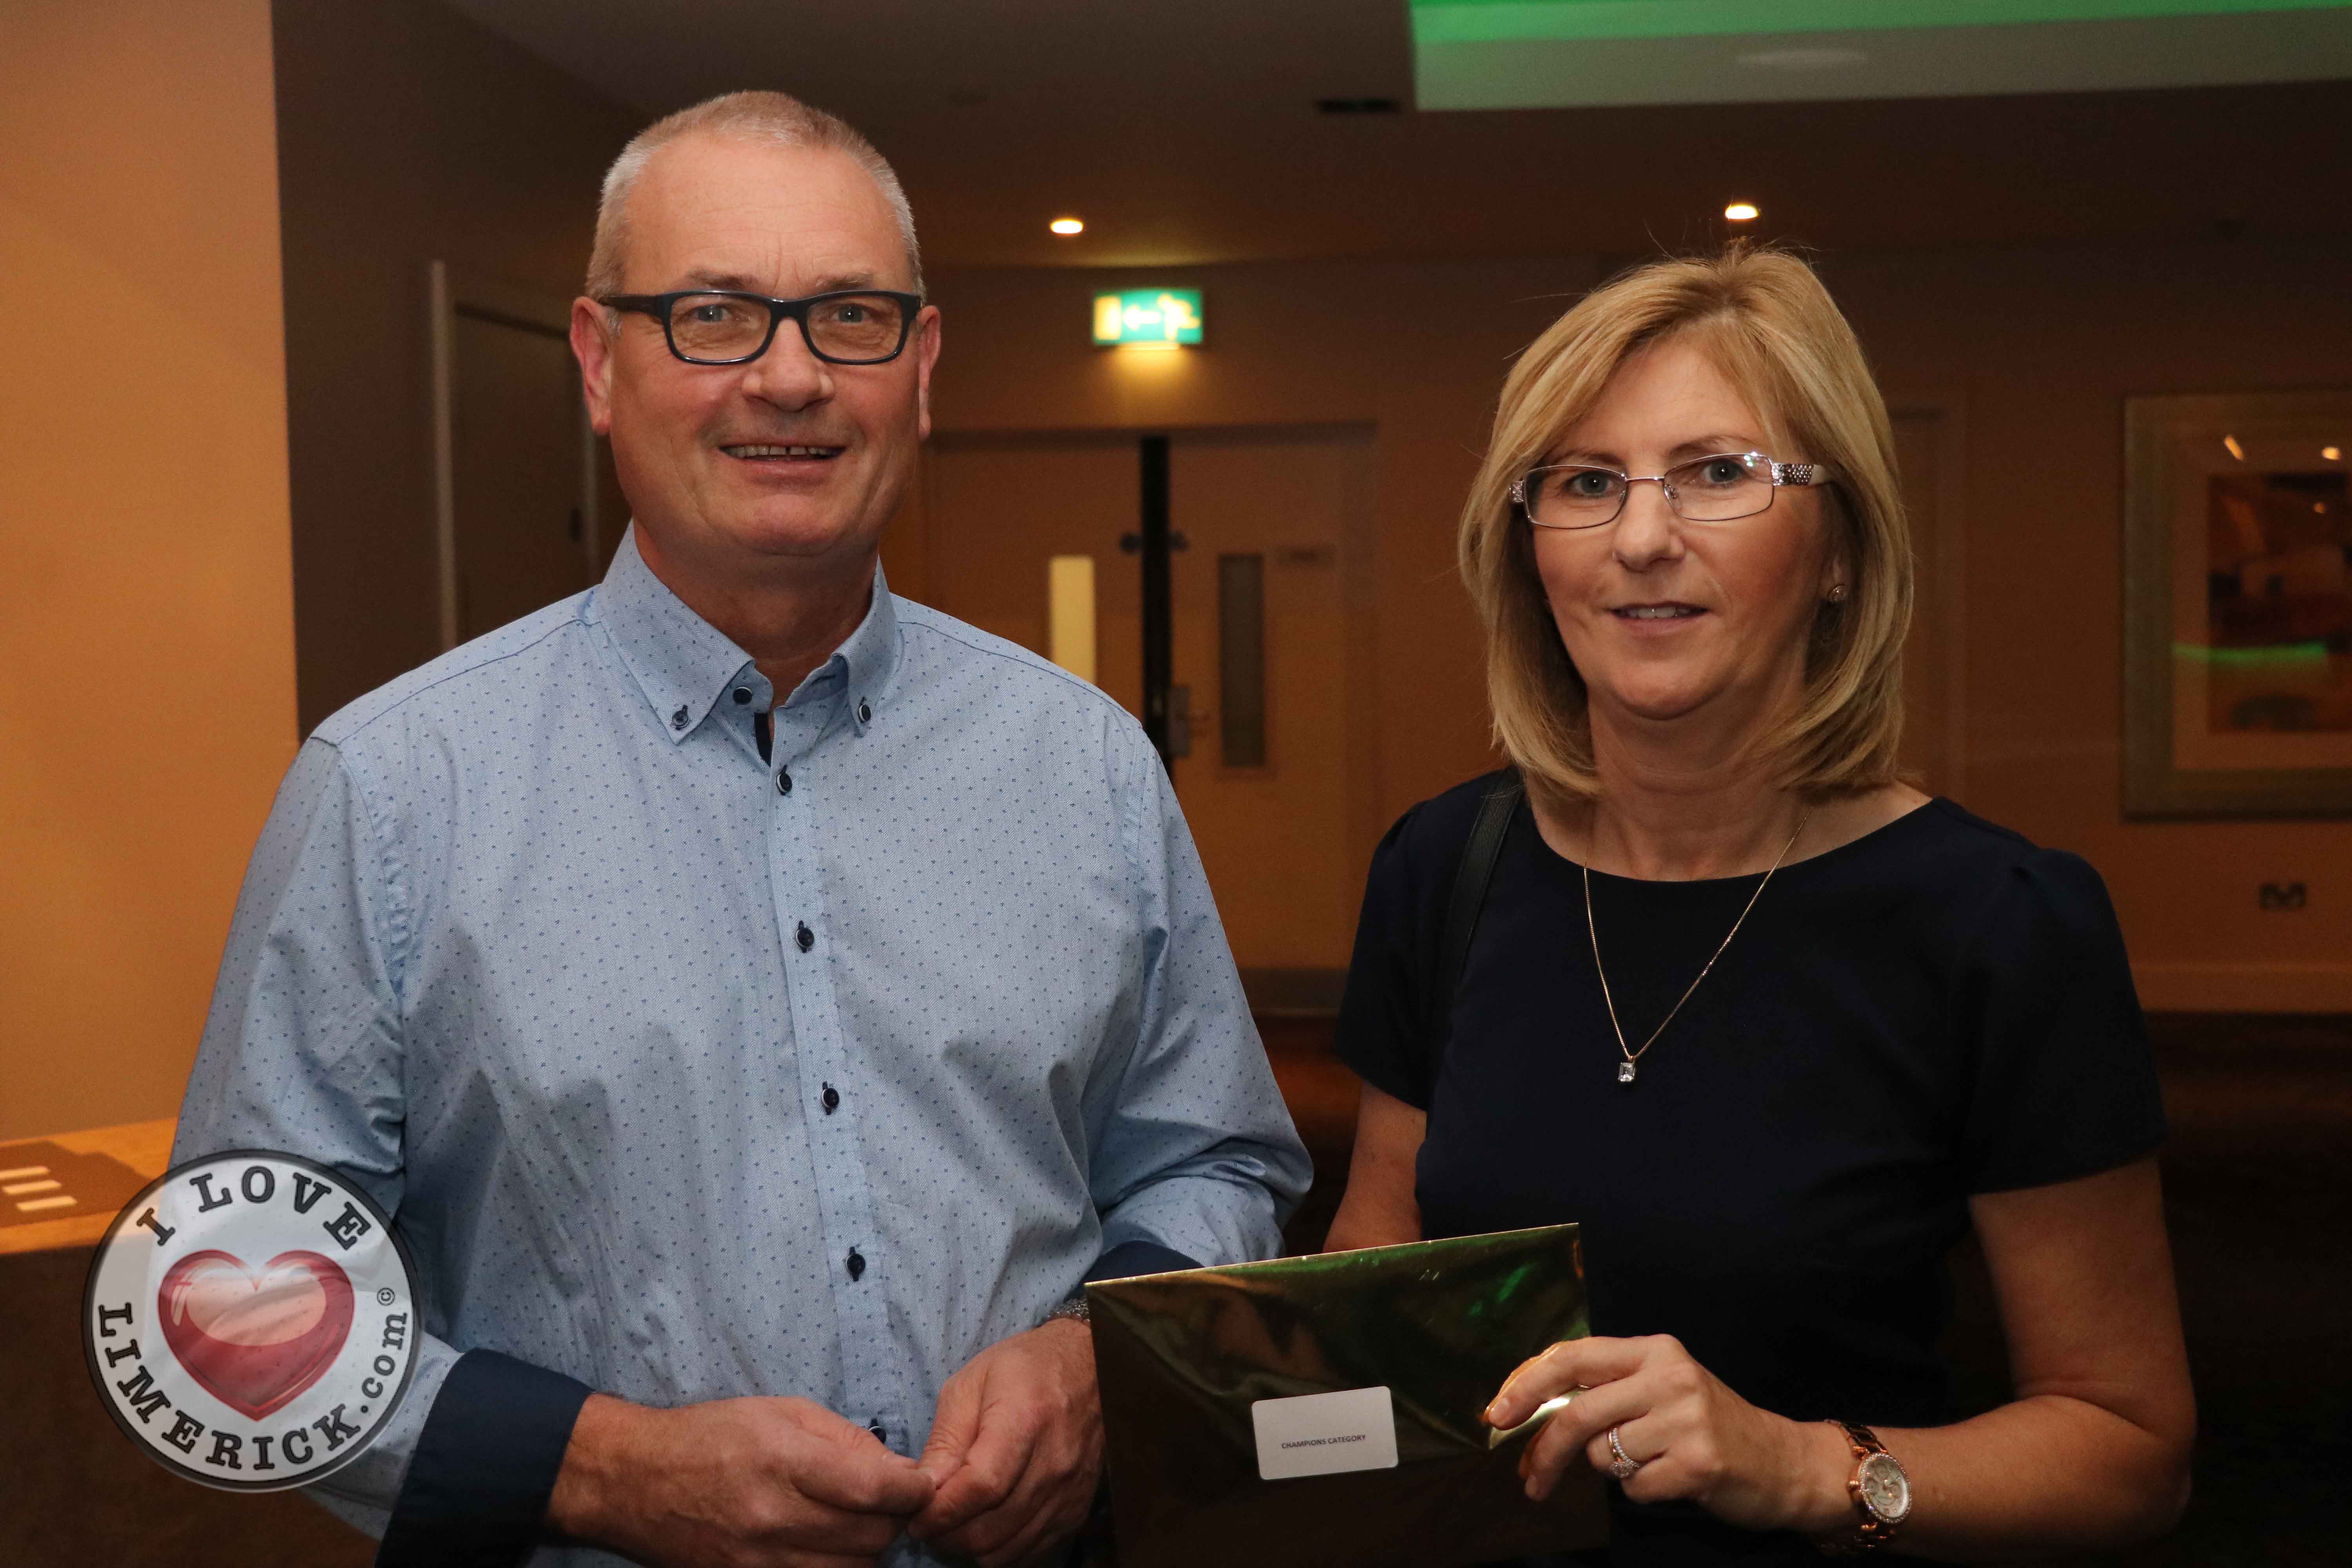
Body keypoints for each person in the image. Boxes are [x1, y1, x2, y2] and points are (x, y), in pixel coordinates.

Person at [174, 90, 1307, 1568]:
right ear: (600, 362)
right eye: (712, 315)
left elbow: (1216, 1161)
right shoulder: (392, 792)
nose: (789, 378)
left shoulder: (1080, 761)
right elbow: (234, 1303)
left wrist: (1105, 1356)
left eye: (850, 317)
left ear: (921, 368)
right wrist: (603, 1473)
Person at [1324, 246, 2193, 1564]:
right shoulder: (1446, 866)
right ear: (1529, 552)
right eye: (1586, 482)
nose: (1641, 538)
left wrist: (1801, 1467)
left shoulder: (1998, 922)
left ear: (1838, 546)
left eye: (1720, 472)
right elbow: (1374, 1286)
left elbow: (2129, 1451)